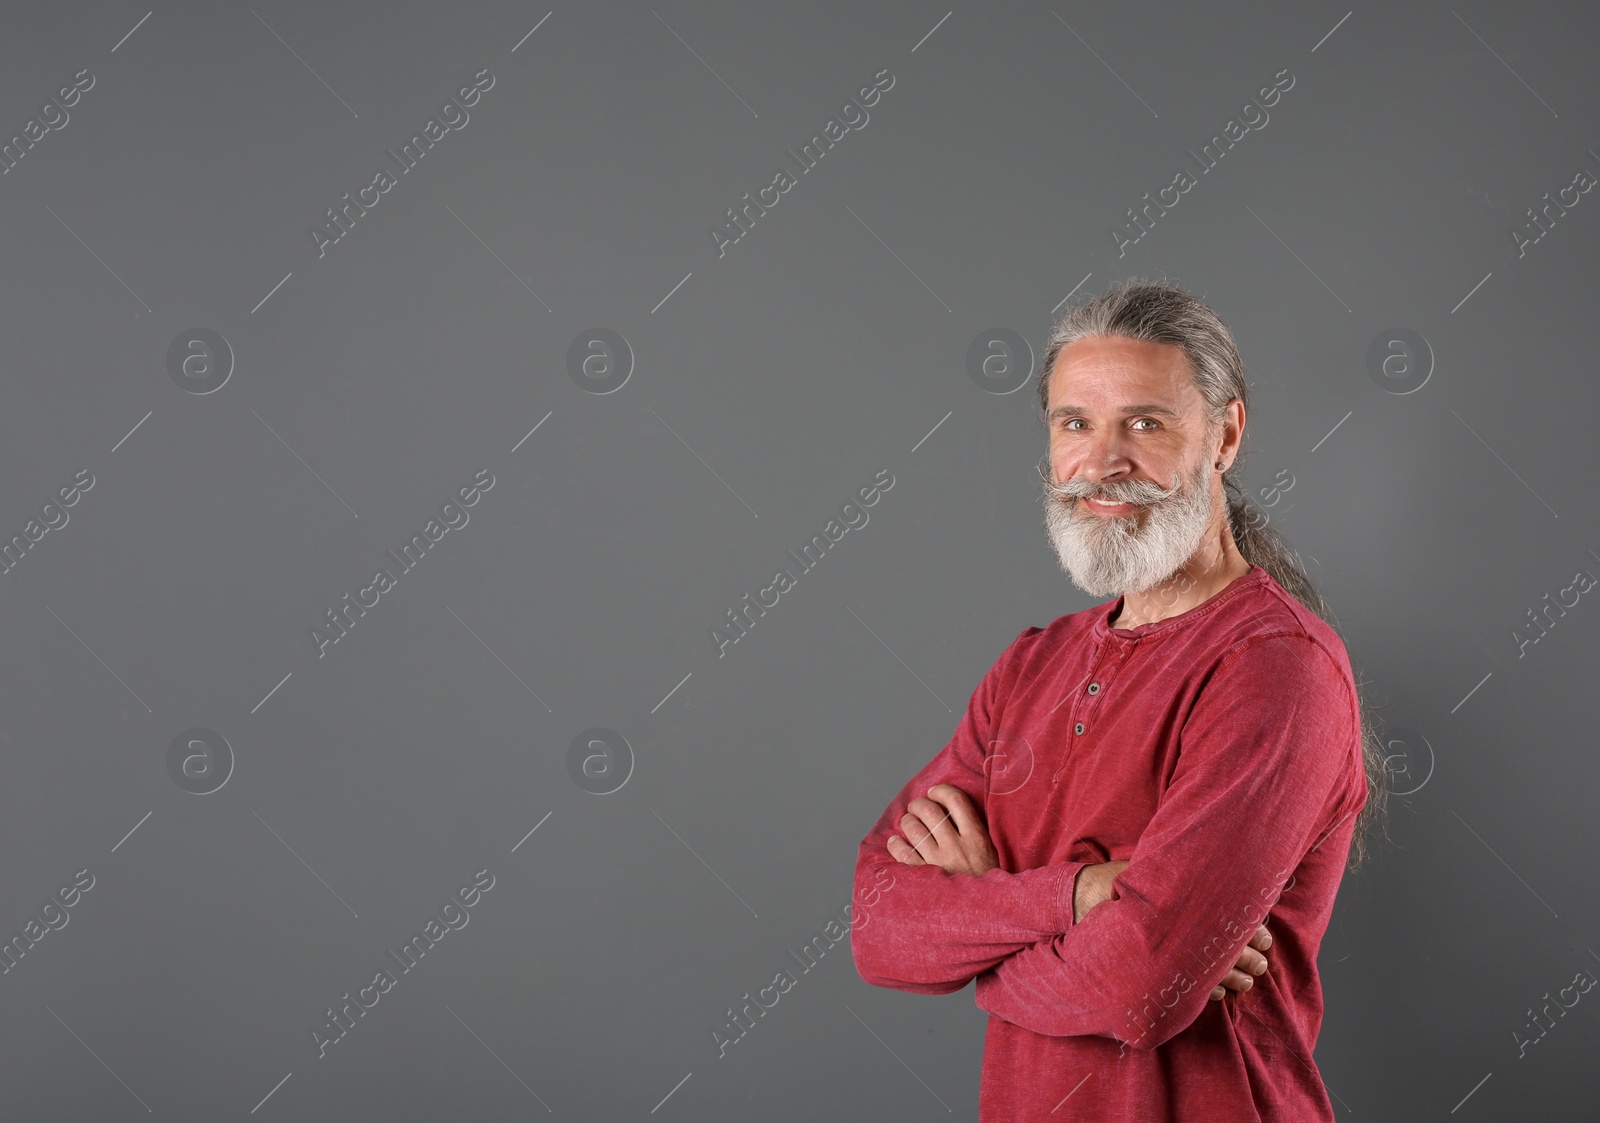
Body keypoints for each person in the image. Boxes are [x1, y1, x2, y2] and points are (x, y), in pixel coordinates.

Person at [850, 279, 1388, 1121]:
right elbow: (880, 929)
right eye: (1076, 423)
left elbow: (1139, 989)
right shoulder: (1032, 664)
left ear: (1226, 436)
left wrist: (979, 924)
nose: (1103, 463)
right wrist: (1077, 895)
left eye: (1145, 422)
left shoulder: (1278, 669)